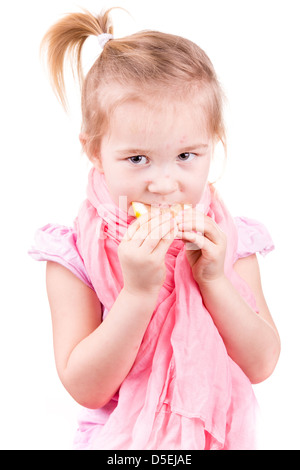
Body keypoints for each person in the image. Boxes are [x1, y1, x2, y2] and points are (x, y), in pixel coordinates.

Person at [29, 8, 280, 450]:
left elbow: (262, 363)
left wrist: (216, 280)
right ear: (94, 150)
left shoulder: (228, 241)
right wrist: (138, 293)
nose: (164, 185)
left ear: (212, 144)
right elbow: (85, 387)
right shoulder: (74, 254)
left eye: (186, 156)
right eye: (137, 159)